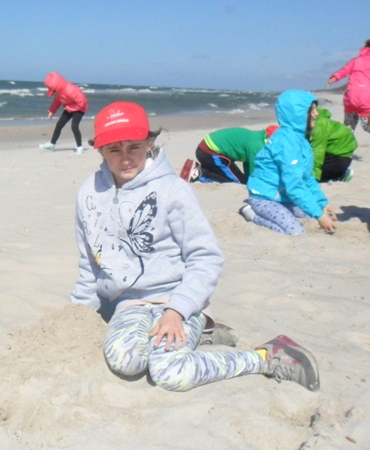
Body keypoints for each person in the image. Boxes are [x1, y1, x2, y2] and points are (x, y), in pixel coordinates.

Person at [71, 101, 319, 392]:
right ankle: (205, 336)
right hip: (129, 304)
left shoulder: (173, 190)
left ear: (149, 143)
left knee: (168, 373)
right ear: (100, 150)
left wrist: (177, 311)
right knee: (125, 361)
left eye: (134, 147)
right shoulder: (89, 193)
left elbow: (205, 257)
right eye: (115, 150)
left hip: (177, 300)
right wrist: (79, 314)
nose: (125, 159)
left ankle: (264, 357)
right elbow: (90, 261)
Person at [241, 91, 338, 235]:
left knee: (313, 216)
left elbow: (307, 178)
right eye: (312, 110)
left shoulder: (300, 139)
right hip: (265, 198)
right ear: (298, 114)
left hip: (285, 198)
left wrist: (323, 203)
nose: (316, 114)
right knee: (296, 231)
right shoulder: (286, 142)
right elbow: (294, 185)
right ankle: (252, 215)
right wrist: (320, 216)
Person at [326, 39, 370, 137]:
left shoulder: (356, 60)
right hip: (369, 98)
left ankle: (345, 139)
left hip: (352, 97)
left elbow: (345, 70)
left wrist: (335, 77)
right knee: (367, 123)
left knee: (349, 126)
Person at [180, 125, 278, 184]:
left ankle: (200, 168)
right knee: (237, 181)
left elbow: (248, 163)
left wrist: (248, 179)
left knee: (238, 177)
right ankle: (200, 174)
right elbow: (255, 171)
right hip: (211, 152)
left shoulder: (257, 137)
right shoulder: (257, 145)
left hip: (207, 149)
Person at [39, 72, 88, 154]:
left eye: (53, 90)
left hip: (80, 108)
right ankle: (52, 144)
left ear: (56, 87)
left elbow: (82, 102)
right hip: (69, 107)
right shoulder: (59, 92)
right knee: (59, 125)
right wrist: (52, 111)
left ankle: (80, 147)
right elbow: (57, 101)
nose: (53, 93)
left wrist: (69, 108)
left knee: (74, 126)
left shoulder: (70, 90)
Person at [310, 107, 358, 182]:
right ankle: (339, 173)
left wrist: (313, 178)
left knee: (305, 174)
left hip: (339, 157)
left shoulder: (318, 125)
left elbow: (318, 151)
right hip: (339, 153)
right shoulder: (315, 121)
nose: (316, 113)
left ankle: (339, 174)